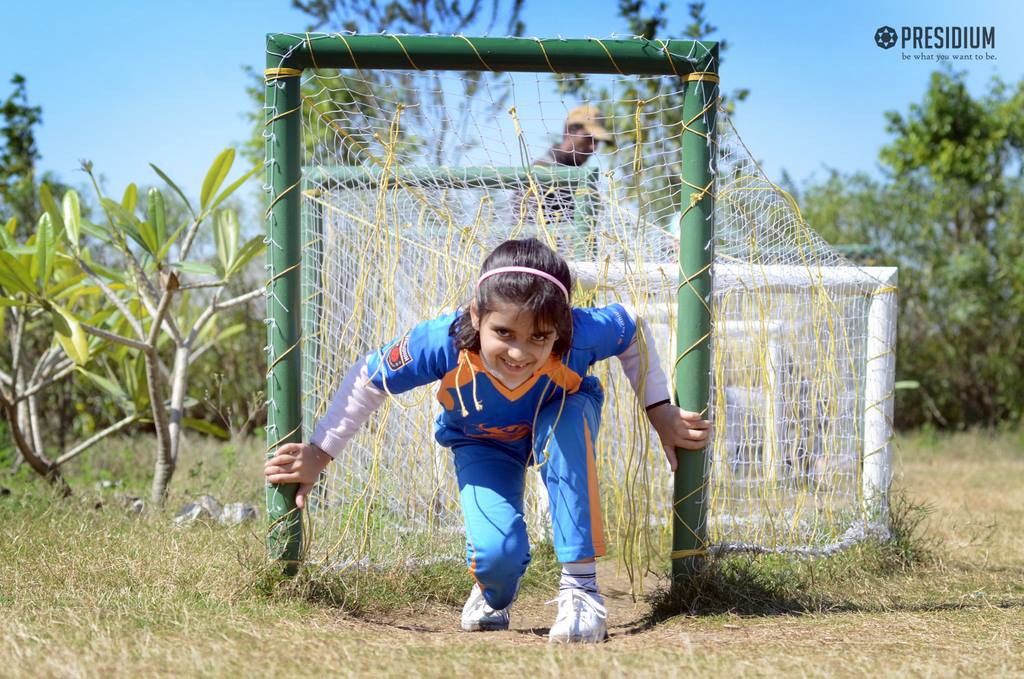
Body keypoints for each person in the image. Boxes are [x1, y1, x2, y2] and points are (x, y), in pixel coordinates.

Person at [264, 238, 710, 643]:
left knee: (565, 424)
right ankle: (492, 591)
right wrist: (320, 453)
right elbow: (368, 377)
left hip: (559, 413)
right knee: (498, 556)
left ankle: (582, 589)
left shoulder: (581, 333)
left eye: (539, 337)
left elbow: (631, 327)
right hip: (482, 440)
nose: (519, 353)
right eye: (504, 334)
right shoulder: (438, 343)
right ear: (477, 316)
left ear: (561, 326)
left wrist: (660, 410)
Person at [518, 104, 613, 228]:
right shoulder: (542, 170)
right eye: (589, 138)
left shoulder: (578, 178)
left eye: (597, 141)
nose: (594, 147)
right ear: (571, 131)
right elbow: (523, 228)